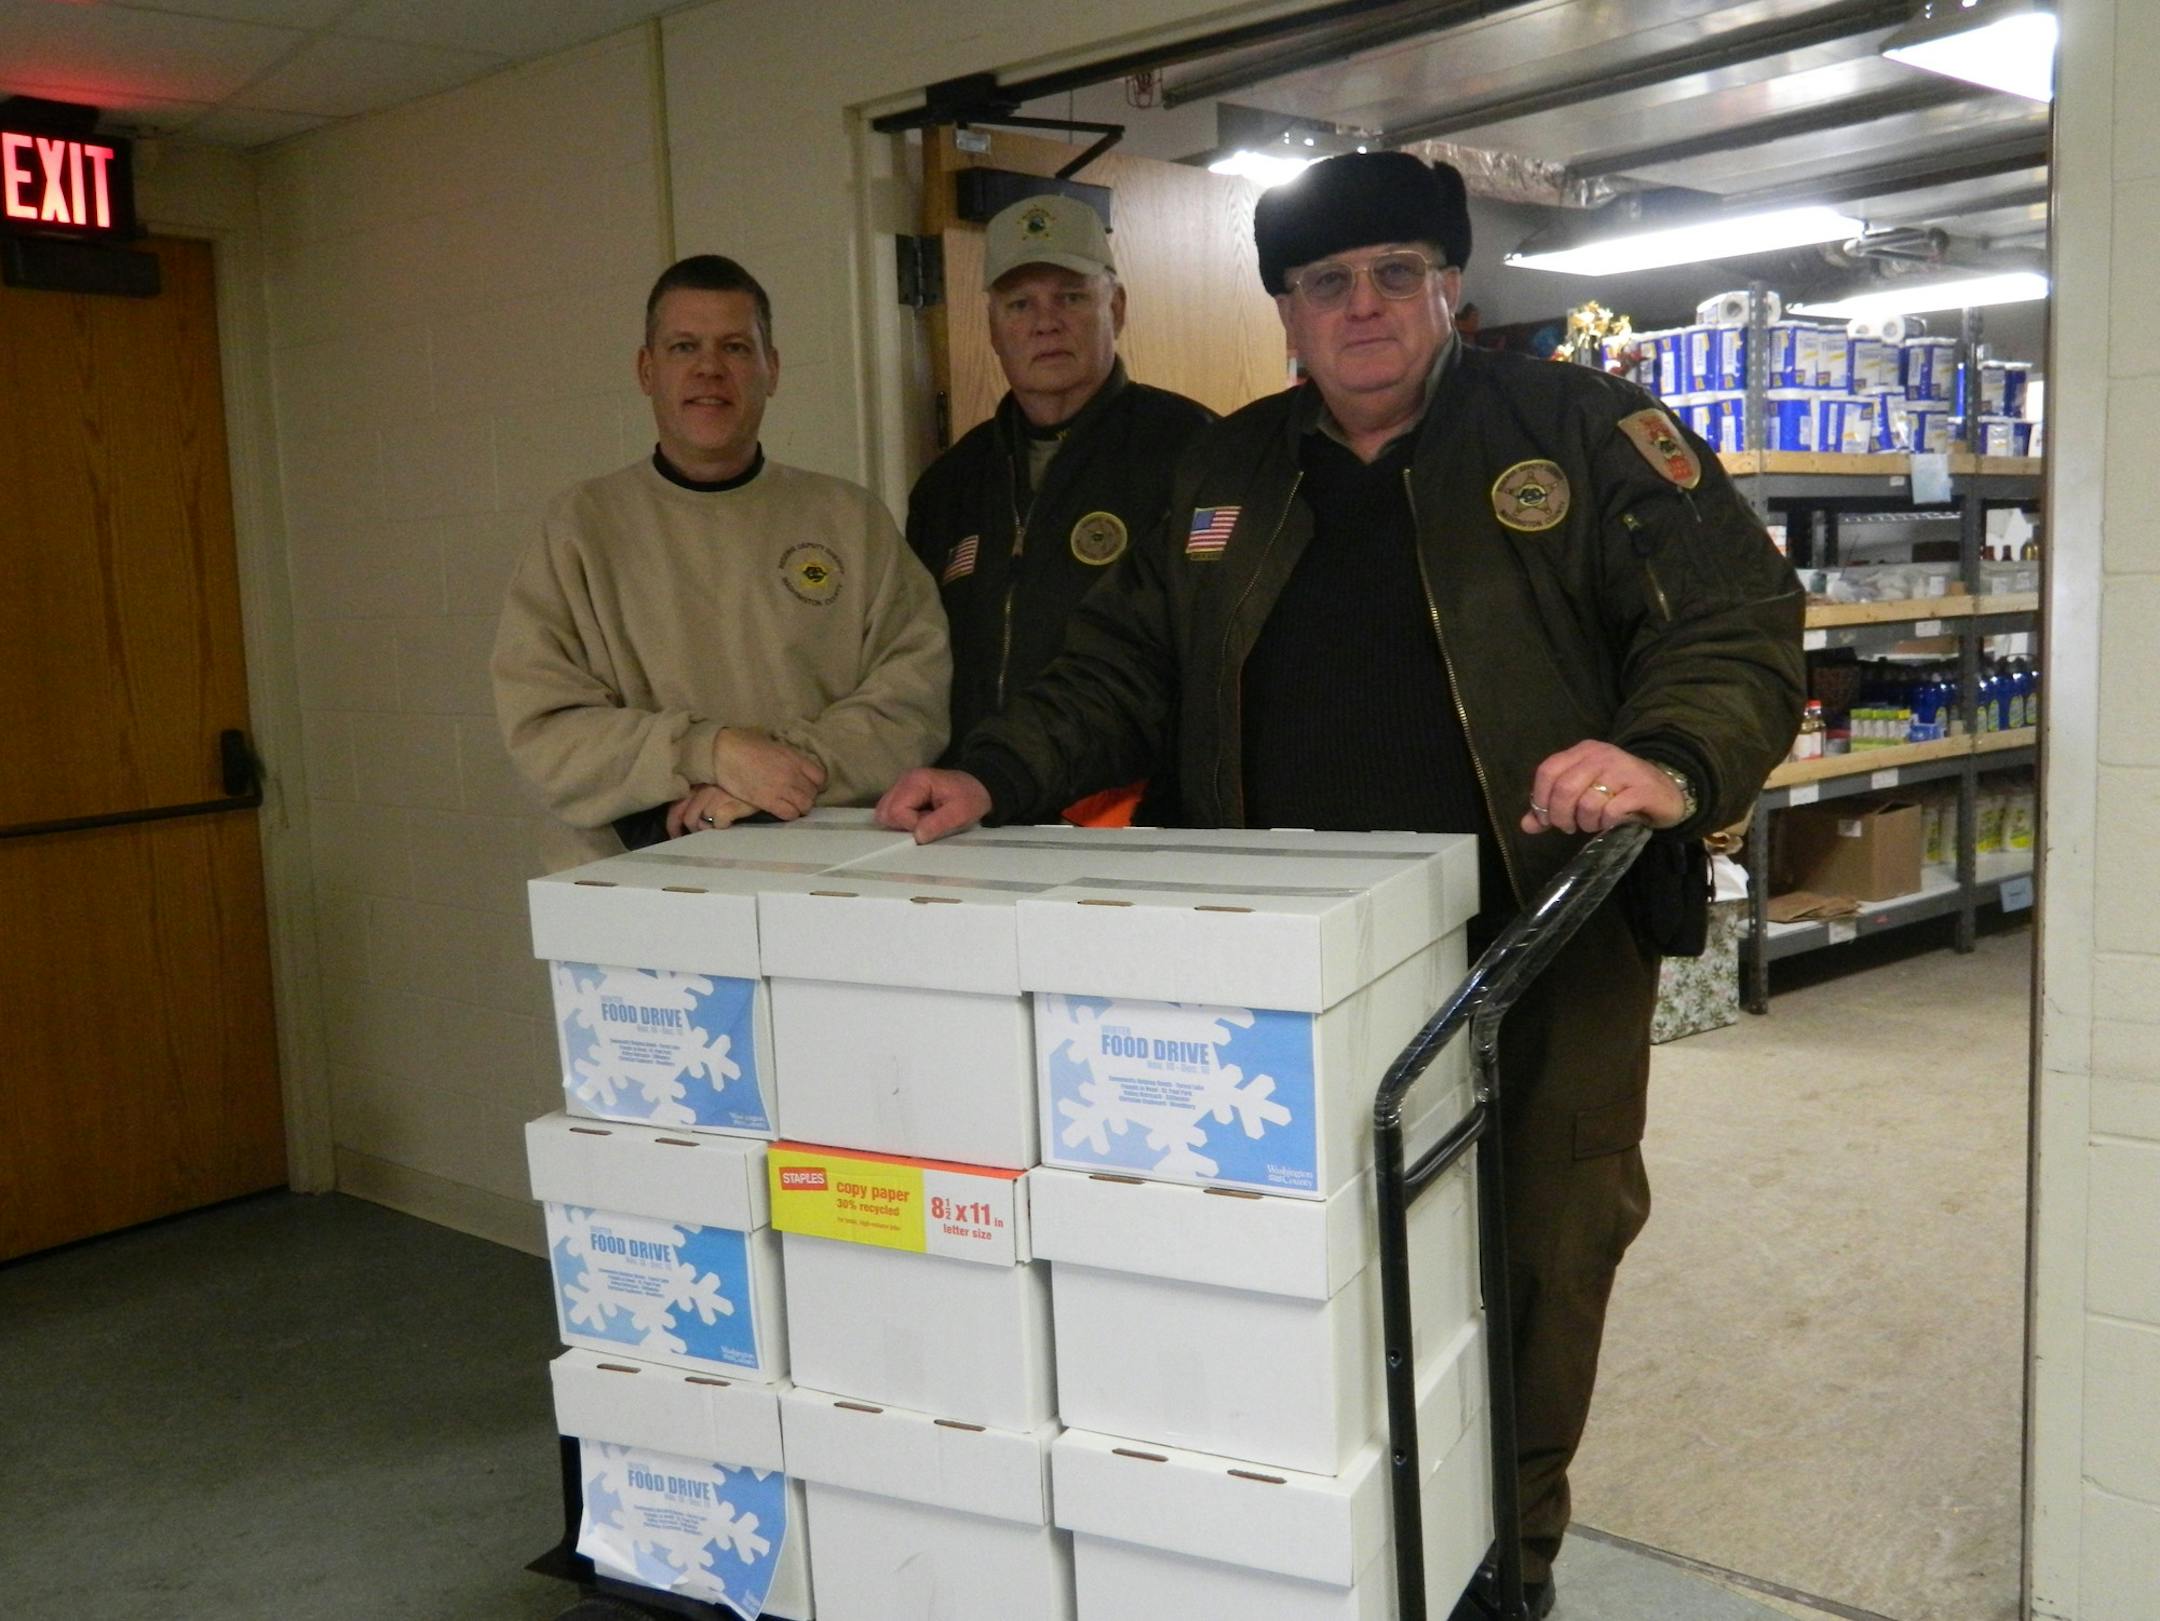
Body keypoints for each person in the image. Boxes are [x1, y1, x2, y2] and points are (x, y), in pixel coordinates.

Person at [876, 152, 1803, 1618]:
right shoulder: (1227, 472)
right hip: (1291, 974)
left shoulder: (1580, 430)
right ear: (1288, 314)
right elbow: (1119, 669)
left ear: (1449, 286)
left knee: (1540, 1260)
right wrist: (992, 770)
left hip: (1535, 947)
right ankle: (1342, 1558)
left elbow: (1734, 621)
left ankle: (1505, 1565)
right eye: (1325, 284)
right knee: (1315, 1261)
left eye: (1392, 274)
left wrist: (1666, 757)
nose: (1361, 306)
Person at [493, 254, 950, 872]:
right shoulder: (579, 529)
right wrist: (709, 751)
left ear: (772, 368)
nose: (709, 368)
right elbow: (544, 731)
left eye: (735, 347)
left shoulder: (852, 521)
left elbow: (913, 702)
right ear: (646, 370)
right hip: (630, 890)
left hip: (823, 875)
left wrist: (774, 777)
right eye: (684, 347)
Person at [905, 192, 1213, 823]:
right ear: (993, 328)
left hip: (1142, 824)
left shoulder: (1196, 453)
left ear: (1115, 307)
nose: (1045, 323)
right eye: (1019, 304)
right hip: (978, 816)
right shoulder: (948, 485)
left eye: (1070, 297)